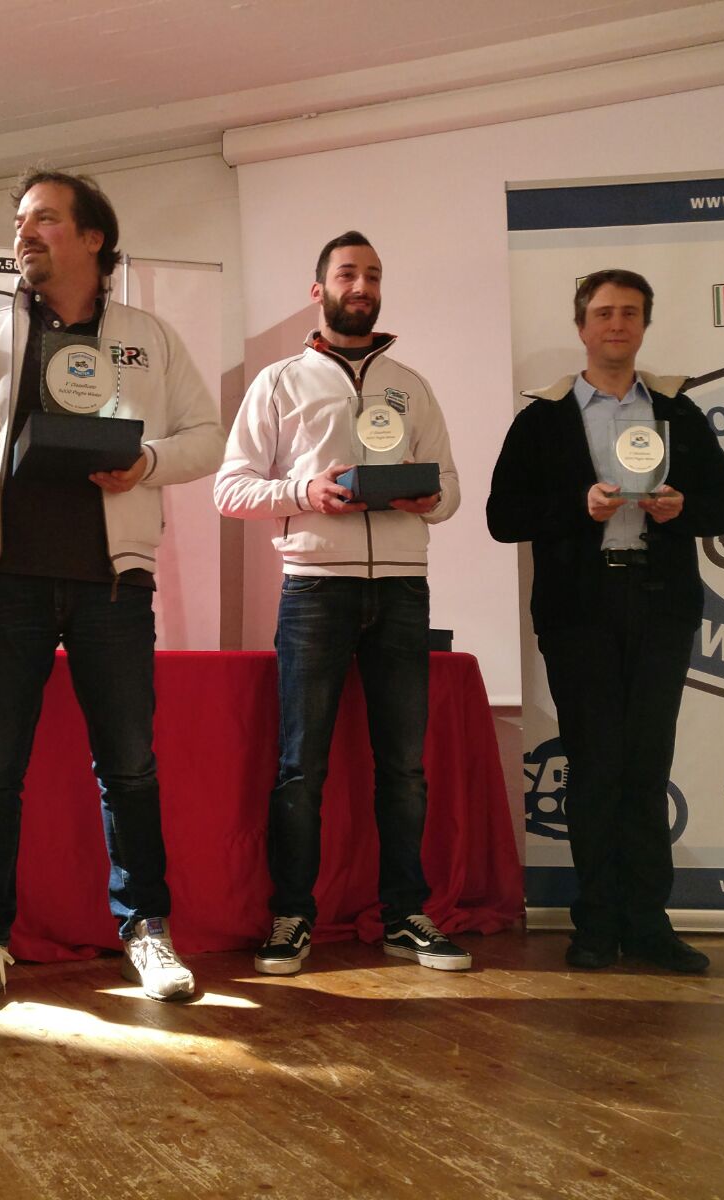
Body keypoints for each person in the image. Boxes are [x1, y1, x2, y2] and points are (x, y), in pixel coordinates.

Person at [0, 169, 223, 1010]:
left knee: (130, 768)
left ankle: (146, 929)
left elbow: (207, 437)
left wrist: (147, 461)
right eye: (20, 220)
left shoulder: (149, 338)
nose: (25, 232)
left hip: (112, 589)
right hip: (4, 584)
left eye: (45, 219)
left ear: (93, 238)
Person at [214, 231, 469, 975]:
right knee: (301, 766)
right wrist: (306, 491)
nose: (362, 286)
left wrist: (428, 499)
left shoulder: (412, 385)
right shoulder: (279, 382)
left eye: (373, 275)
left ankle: (405, 916)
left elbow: (452, 488)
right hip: (315, 590)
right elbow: (230, 488)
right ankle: (292, 916)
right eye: (348, 274)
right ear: (318, 290)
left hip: (403, 588)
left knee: (405, 768)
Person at [486, 268, 724, 973]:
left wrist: (680, 507)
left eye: (630, 312)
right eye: (603, 313)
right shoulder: (542, 419)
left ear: (644, 325)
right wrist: (581, 506)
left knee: (646, 764)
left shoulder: (678, 412)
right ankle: (597, 922)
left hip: (660, 605)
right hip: (580, 611)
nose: (617, 324)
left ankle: (649, 924)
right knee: (597, 765)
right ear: (582, 327)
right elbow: (503, 517)